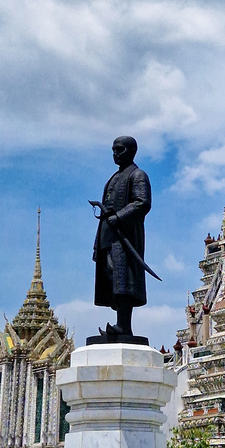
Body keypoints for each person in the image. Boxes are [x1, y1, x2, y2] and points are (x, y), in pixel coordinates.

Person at [92, 136, 152, 339]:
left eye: (119, 150)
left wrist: (119, 217)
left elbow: (142, 203)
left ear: (131, 151)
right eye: (113, 150)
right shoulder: (113, 178)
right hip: (108, 236)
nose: (115, 154)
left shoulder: (137, 175)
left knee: (123, 279)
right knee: (111, 276)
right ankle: (120, 324)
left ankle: (124, 326)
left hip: (125, 236)